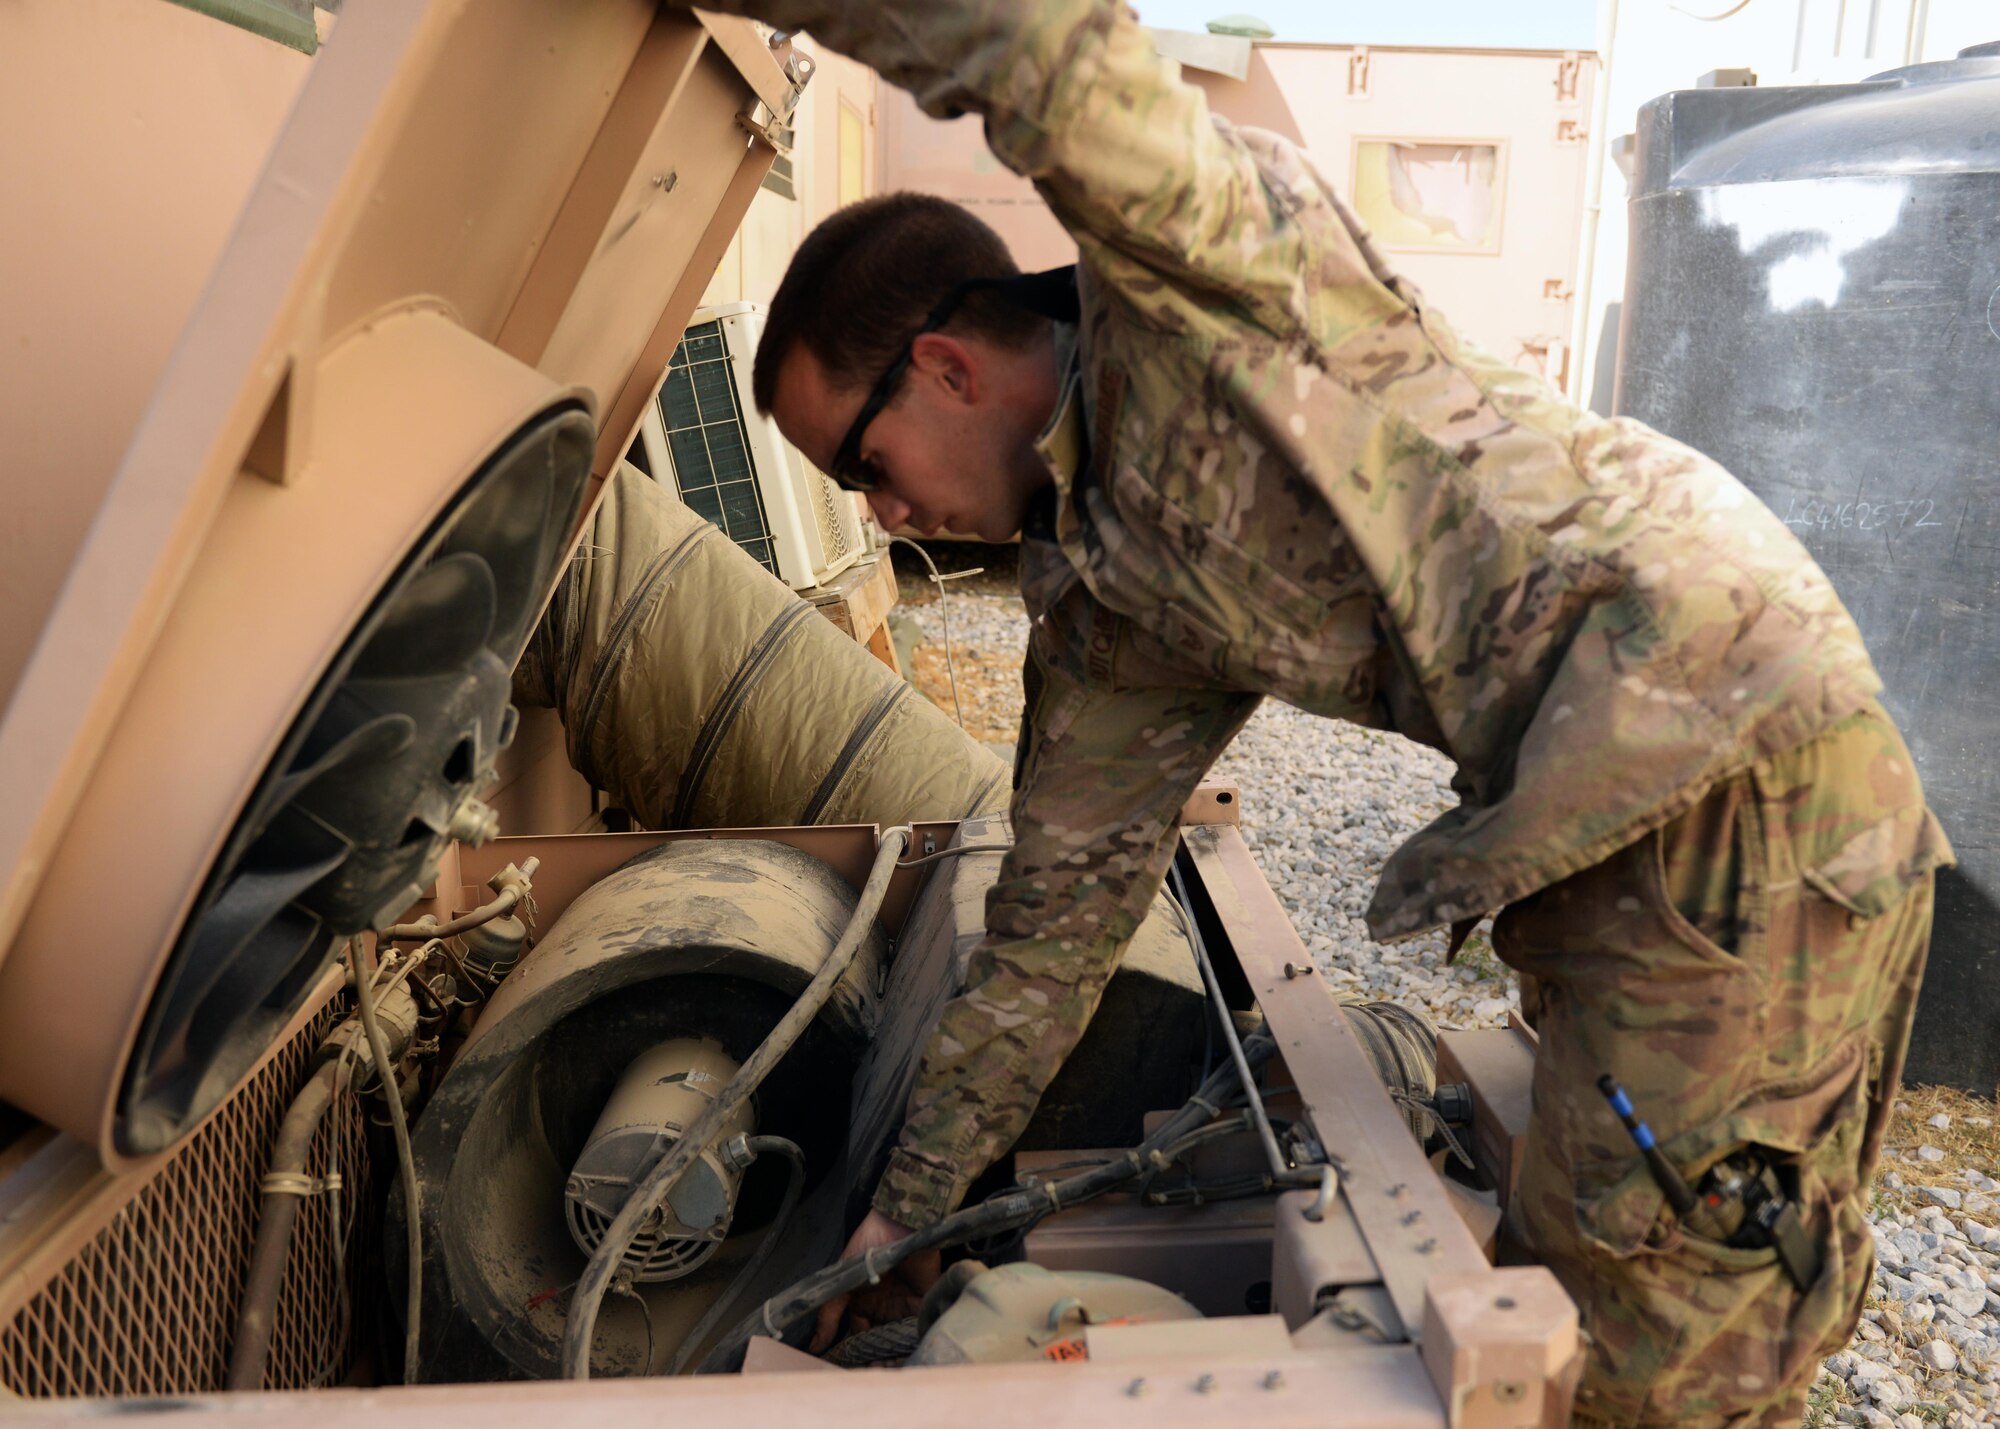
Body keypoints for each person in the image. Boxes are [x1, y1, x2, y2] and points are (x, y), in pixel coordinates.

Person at [683, 2, 1951, 1421]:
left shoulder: (1195, 278)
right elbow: (1047, 938)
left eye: (862, 461)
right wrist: (897, 1227)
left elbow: (1044, 53)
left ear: (948, 368)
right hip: (1609, 805)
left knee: (1661, 1350)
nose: (880, 512)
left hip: (1722, 741)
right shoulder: (1112, 607)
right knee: (1590, 1280)